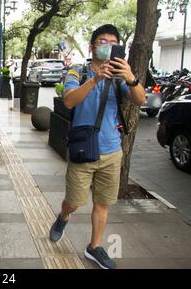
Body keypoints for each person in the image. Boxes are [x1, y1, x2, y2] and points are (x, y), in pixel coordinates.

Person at [49, 24, 146, 269]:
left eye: (113, 42)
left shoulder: (119, 77)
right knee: (73, 202)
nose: (107, 46)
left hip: (112, 151)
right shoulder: (77, 72)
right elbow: (69, 101)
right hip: (82, 150)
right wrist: (94, 79)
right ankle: (63, 216)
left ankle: (94, 247)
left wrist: (131, 78)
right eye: (102, 41)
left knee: (102, 204)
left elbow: (140, 100)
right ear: (92, 47)